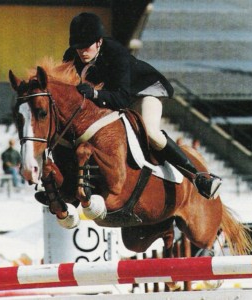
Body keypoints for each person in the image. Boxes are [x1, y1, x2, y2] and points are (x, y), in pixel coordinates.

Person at [61, 12, 222, 199]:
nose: (82, 51)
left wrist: (95, 94)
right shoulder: (72, 55)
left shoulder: (116, 54)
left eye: (86, 46)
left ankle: (199, 177)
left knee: (151, 132)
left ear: (98, 42)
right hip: (112, 98)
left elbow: (122, 98)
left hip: (143, 93)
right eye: (78, 47)